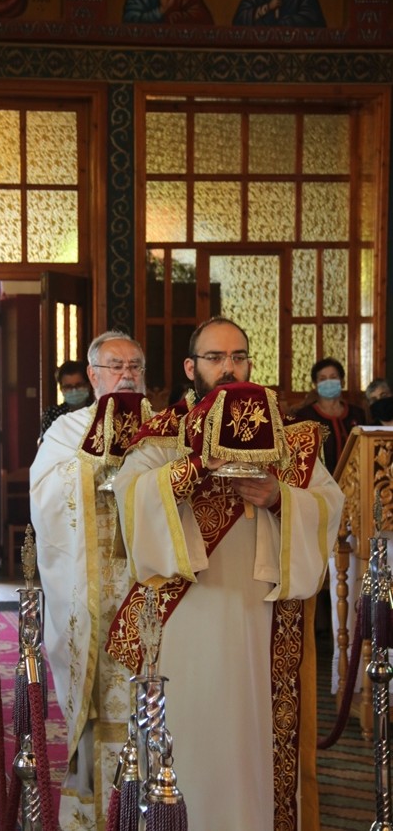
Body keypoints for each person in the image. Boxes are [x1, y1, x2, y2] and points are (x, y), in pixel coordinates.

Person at [109, 316, 344, 831]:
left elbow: (330, 504)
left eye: (238, 356)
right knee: (190, 737)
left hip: (260, 617)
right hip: (187, 614)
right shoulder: (163, 435)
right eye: (215, 358)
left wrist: (279, 498)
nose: (228, 367)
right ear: (191, 367)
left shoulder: (289, 437)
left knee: (248, 740)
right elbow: (130, 499)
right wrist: (194, 468)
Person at [29, 330, 152, 831]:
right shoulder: (69, 428)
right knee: (100, 697)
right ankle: (96, 810)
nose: (126, 375)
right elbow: (44, 493)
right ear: (94, 376)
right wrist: (93, 465)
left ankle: (159, 802)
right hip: (95, 592)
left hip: (151, 591)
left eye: (134, 366)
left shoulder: (165, 426)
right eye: (115, 366)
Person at [293, 357, 365, 475]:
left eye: (333, 377)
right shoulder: (304, 416)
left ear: (342, 381)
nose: (328, 382)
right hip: (319, 482)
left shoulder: (357, 413)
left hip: (355, 478)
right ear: (315, 385)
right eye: (322, 379)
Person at [39, 359, 93, 443]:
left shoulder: (98, 411)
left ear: (88, 385)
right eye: (68, 387)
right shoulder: (52, 414)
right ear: (61, 389)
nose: (74, 390)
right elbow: (46, 444)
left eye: (78, 385)